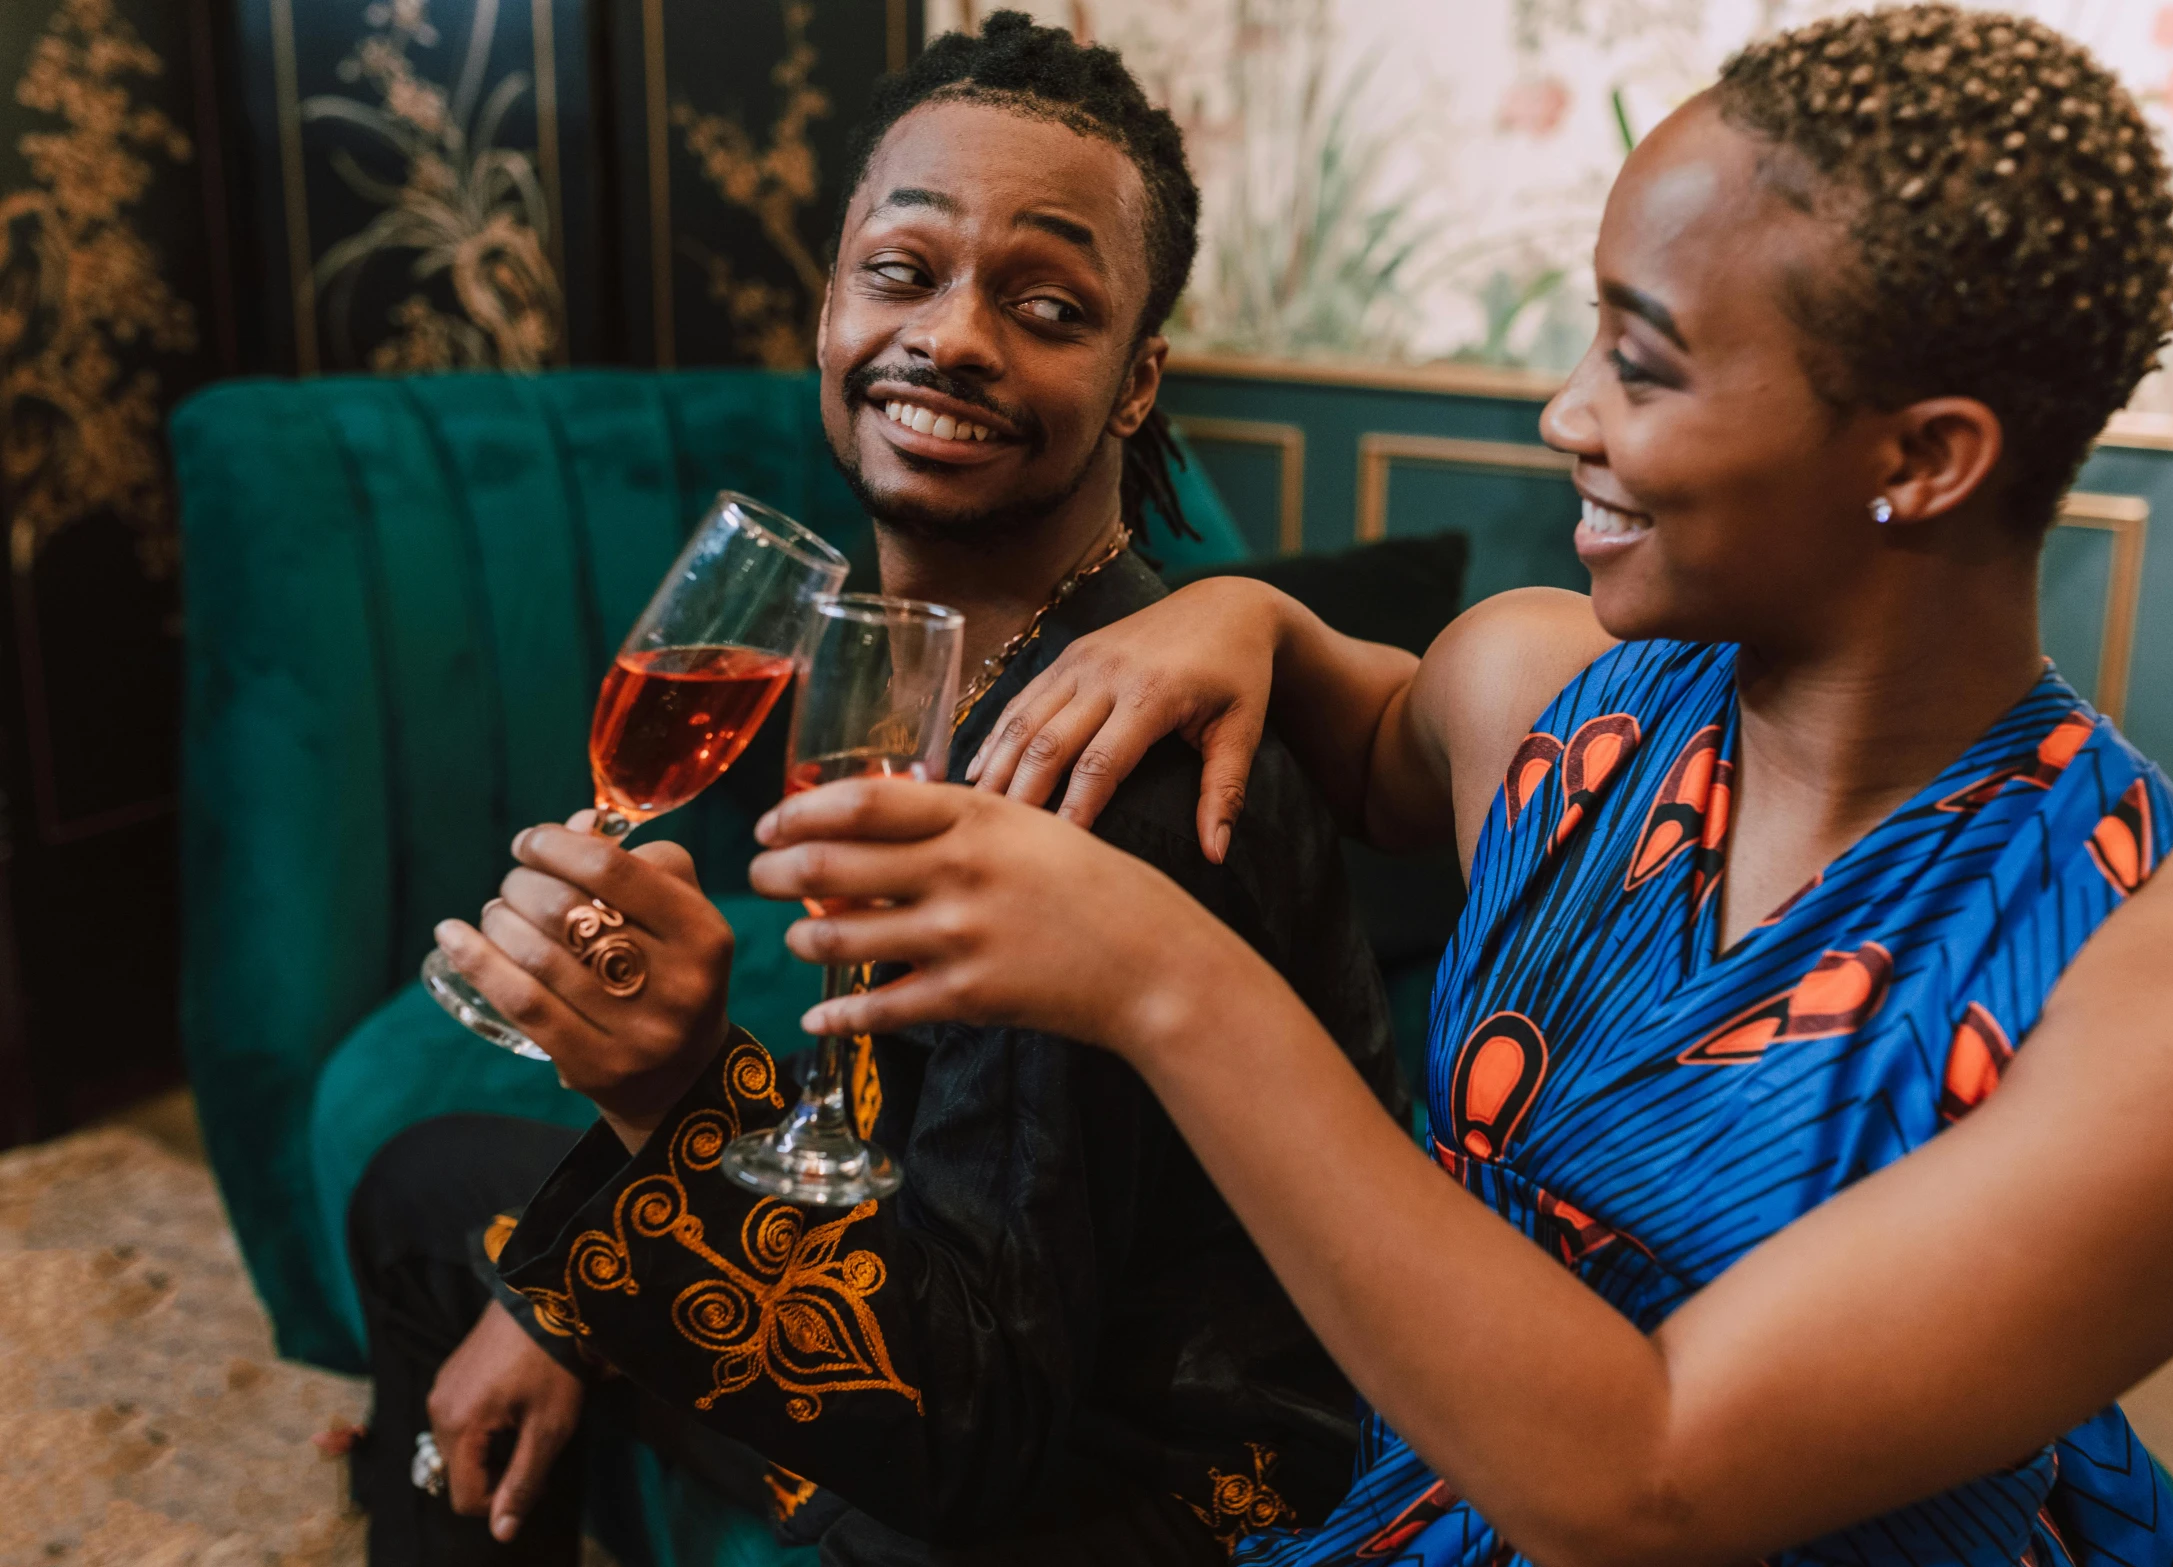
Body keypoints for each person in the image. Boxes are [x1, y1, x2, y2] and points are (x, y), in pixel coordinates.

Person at [739, 7, 2173, 1565]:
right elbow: (1378, 746)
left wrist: (1160, 974)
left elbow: (1640, 1488)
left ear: (1921, 459)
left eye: (1640, 364)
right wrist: (1250, 619)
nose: (1564, 412)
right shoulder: (1543, 686)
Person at [355, 15, 1399, 1565]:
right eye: (901, 273)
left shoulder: (1115, 775)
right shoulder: (907, 655)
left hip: (1148, 1487)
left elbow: (977, 1438)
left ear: (1132, 382)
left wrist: (671, 1096)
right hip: (961, 1307)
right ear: (832, 307)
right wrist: (575, 1299)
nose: (955, 337)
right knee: (444, 1192)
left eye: (1045, 305)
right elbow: (895, 1135)